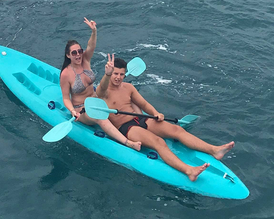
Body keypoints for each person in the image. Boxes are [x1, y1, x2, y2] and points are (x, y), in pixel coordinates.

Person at [95, 56, 235, 182]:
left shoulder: (128, 87)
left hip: (140, 119)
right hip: (126, 128)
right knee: (158, 142)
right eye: (115, 74)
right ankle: (189, 170)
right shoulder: (105, 91)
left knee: (176, 129)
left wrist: (155, 113)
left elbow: (143, 104)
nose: (118, 77)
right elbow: (100, 90)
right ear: (109, 73)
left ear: (125, 74)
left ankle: (214, 150)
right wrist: (107, 75)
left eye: (121, 74)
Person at [59, 20, 141, 151]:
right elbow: (66, 98)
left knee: (127, 97)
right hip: (82, 109)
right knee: (100, 118)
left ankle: (141, 122)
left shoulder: (85, 59)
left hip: (97, 97)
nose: (78, 54)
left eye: (79, 51)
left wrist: (94, 31)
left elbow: (91, 46)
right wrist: (73, 111)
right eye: (74, 53)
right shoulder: (65, 74)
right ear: (68, 55)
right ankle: (128, 142)